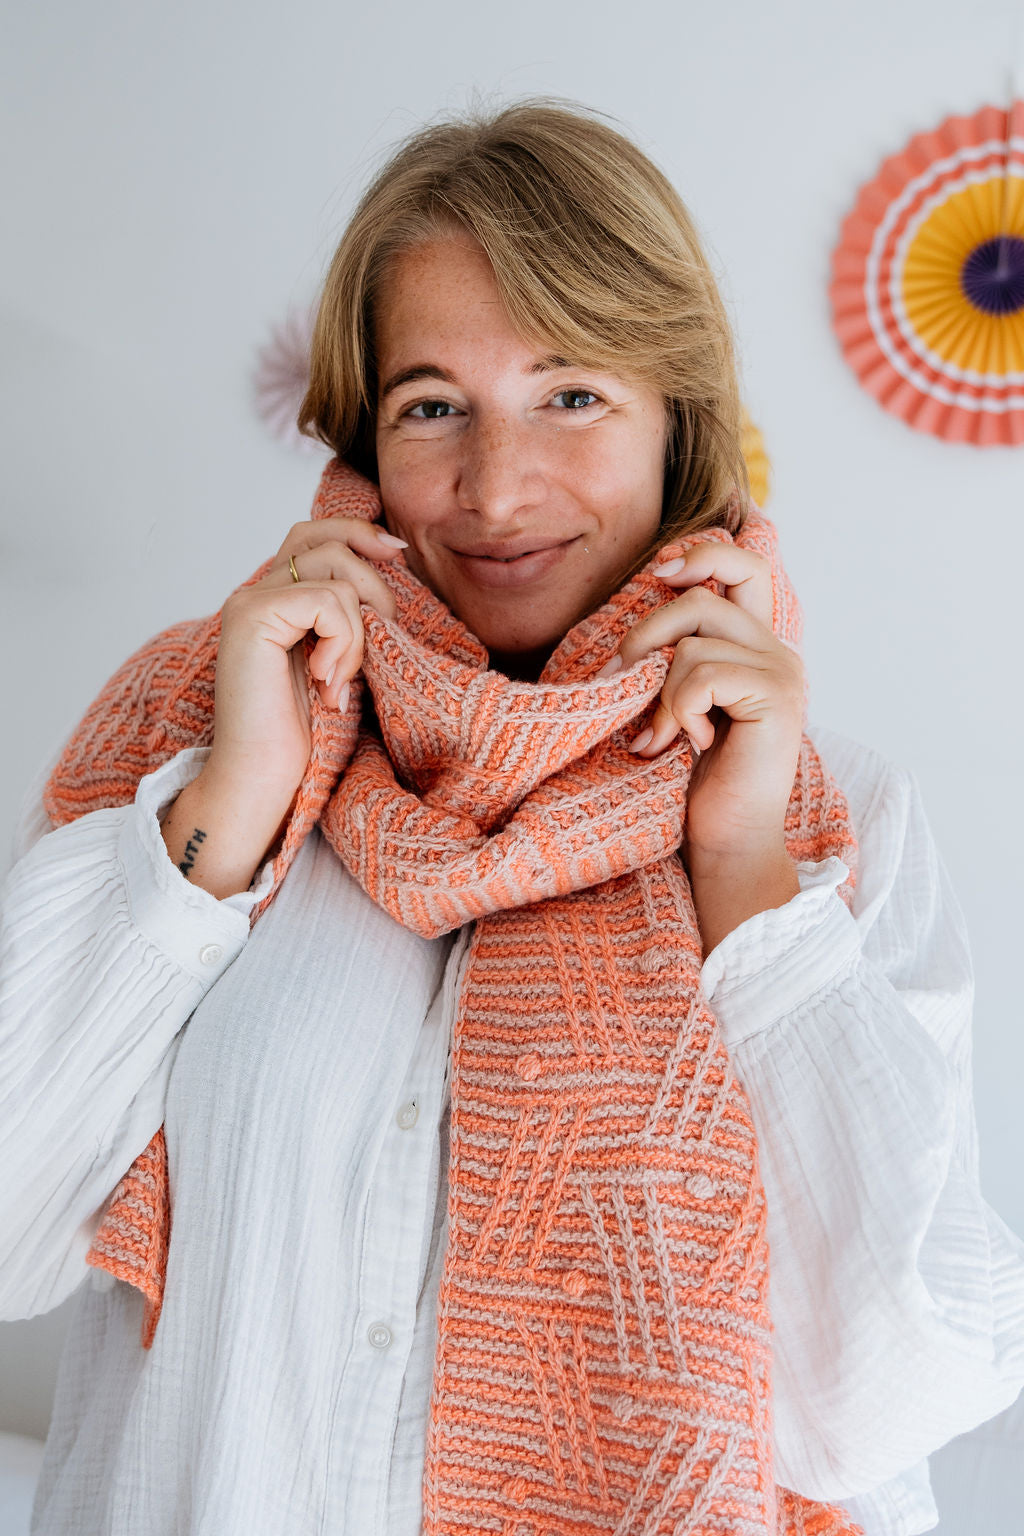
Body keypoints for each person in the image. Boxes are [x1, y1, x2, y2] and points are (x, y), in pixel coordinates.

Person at [2, 97, 1023, 1536]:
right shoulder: (200, 734)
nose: (494, 489)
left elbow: (889, 1399)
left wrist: (739, 876)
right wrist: (229, 808)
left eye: (572, 395)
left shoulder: (828, 817)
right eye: (433, 406)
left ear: (682, 423)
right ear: (363, 438)